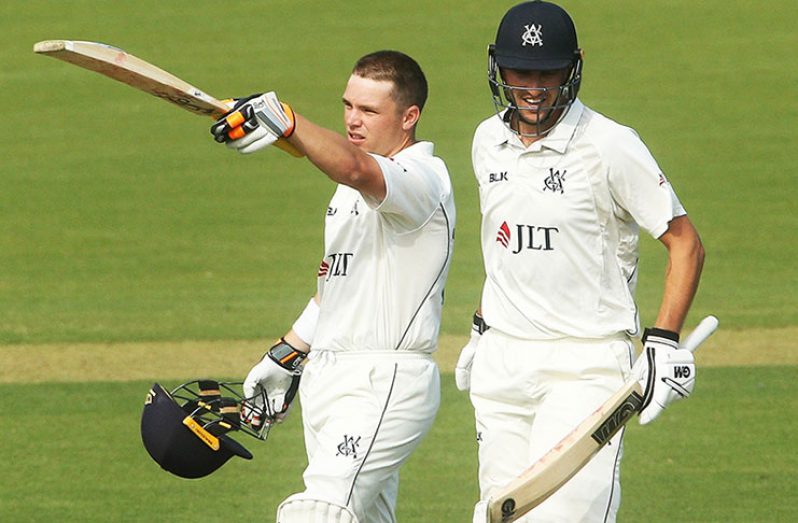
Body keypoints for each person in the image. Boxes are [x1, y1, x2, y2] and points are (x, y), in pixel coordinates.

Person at [454, 2, 705, 521]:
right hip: (502, 363)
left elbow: (685, 243)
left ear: (573, 67)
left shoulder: (610, 145)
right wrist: (482, 326)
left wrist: (662, 342)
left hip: (585, 367)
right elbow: (503, 244)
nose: (532, 86)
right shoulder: (487, 141)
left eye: (548, 72)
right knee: (500, 514)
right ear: (497, 67)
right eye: (520, 71)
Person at [210, 50, 455, 523]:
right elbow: (336, 280)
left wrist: (286, 122)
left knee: (316, 512)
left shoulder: (423, 178)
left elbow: (357, 168)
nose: (352, 120)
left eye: (369, 111)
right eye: (347, 106)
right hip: (329, 377)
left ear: (410, 117)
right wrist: (288, 352)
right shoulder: (347, 190)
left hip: (384, 379)